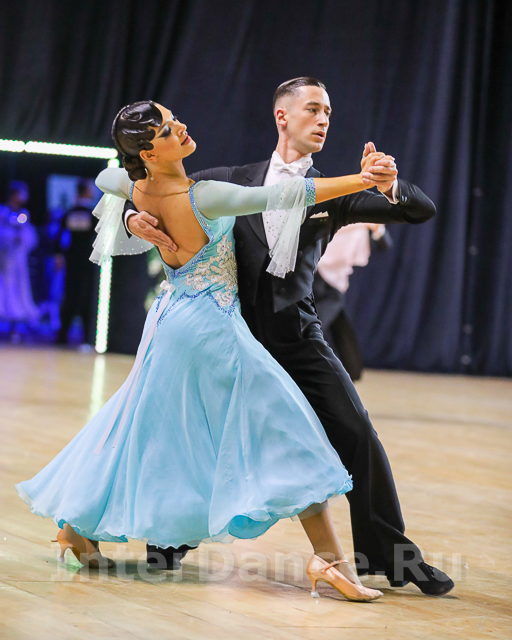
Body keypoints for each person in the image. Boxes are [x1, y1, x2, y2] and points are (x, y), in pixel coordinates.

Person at [15, 100, 399, 603]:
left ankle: (75, 528)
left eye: (174, 119)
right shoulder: (205, 196)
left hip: (168, 320)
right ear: (149, 152)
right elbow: (287, 194)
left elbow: (109, 177)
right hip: (210, 327)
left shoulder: (138, 186)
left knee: (139, 426)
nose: (181, 127)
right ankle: (329, 560)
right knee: (284, 426)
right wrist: (362, 180)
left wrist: (133, 217)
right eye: (168, 129)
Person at [122, 78, 454, 596]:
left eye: (329, 113)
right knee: (196, 438)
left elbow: (419, 210)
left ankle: (391, 556)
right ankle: (169, 540)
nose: (323, 120)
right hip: (229, 337)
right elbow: (140, 187)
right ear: (282, 116)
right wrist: (132, 217)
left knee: (357, 434)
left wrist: (389, 185)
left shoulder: (333, 193)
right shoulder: (228, 180)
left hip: (297, 337)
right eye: (313, 109)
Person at [313, 223, 393, 381]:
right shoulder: (333, 218)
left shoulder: (362, 224)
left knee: (328, 320)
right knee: (315, 323)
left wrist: (376, 227)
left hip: (335, 281)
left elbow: (385, 243)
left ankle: (351, 370)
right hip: (315, 275)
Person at [56, 181, 97, 345]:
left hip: (72, 260)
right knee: (86, 297)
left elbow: (59, 237)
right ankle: (87, 338)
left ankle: (62, 336)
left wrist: (58, 254)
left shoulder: (70, 212)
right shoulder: (92, 214)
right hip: (87, 260)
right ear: (86, 191)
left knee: (70, 296)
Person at [0, 181, 39, 332]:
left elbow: (29, 235)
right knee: (5, 281)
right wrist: (11, 237)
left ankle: (18, 315)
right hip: (4, 256)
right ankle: (5, 313)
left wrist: (22, 238)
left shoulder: (23, 213)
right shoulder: (3, 212)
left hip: (19, 256)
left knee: (20, 283)